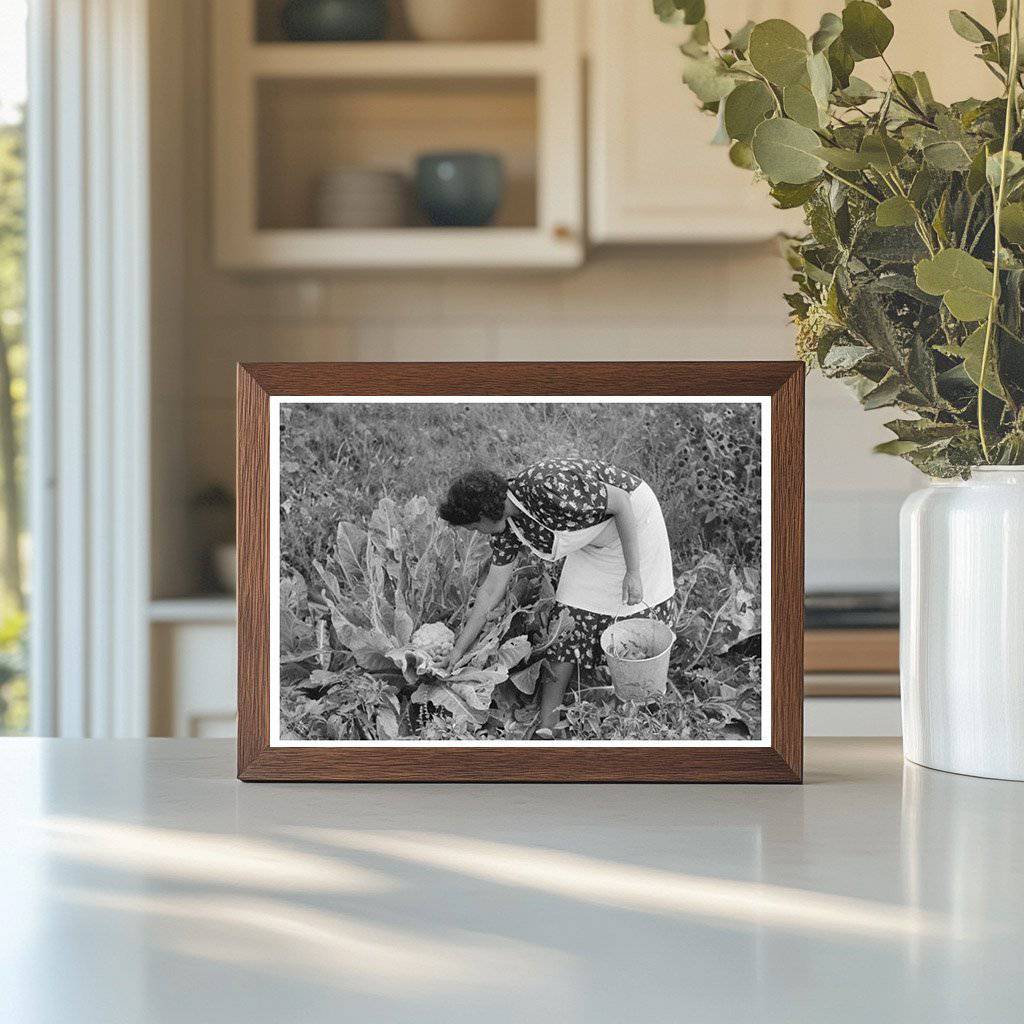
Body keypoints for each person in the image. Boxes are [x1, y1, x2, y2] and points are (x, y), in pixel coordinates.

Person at [438, 458, 675, 738]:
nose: (476, 533)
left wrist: (633, 572)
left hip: (633, 524)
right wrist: (458, 651)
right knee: (566, 623)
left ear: (485, 514)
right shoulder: (508, 528)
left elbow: (621, 502)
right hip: (593, 542)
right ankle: (547, 727)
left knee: (635, 625)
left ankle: (647, 720)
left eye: (474, 527)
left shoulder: (546, 486)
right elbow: (491, 589)